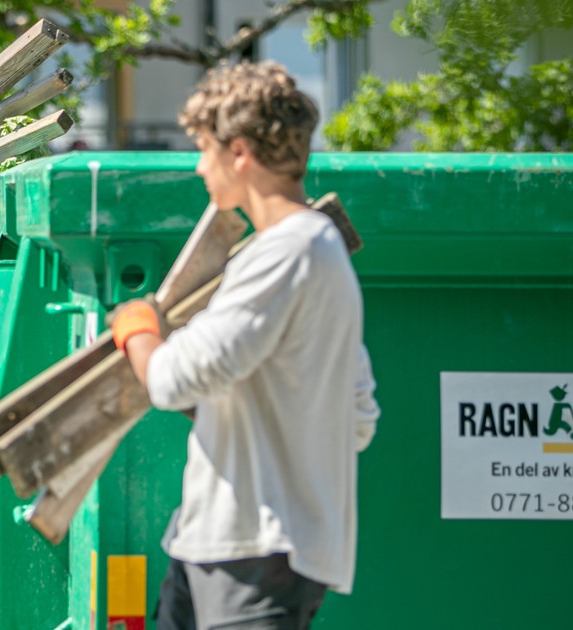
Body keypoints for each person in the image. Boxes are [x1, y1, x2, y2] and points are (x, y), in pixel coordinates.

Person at [110, 61, 381, 629]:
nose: (198, 165)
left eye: (205, 149)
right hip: (224, 544)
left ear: (239, 153)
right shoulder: (319, 251)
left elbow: (171, 379)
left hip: (253, 549)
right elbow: (357, 417)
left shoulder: (286, 252)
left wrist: (138, 329)